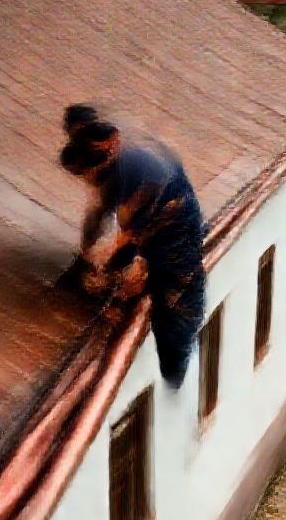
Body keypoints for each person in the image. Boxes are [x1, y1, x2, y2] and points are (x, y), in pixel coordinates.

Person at [58, 104, 206, 389]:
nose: (84, 181)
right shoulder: (113, 166)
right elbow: (99, 214)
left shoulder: (132, 177)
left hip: (175, 227)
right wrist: (87, 254)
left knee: (170, 300)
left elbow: (130, 234)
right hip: (163, 210)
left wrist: (110, 266)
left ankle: (177, 375)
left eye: (83, 174)